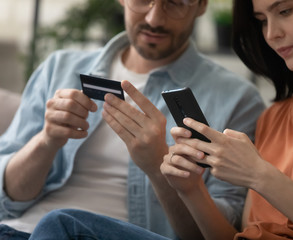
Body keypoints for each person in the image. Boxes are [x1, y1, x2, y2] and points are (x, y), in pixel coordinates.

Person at [23, 0, 293, 239]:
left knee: (63, 225)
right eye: (261, 19)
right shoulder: (274, 116)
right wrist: (189, 188)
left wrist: (259, 174)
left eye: (285, 11)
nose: (271, 33)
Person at [0, 0, 265, 239]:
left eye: (175, 3)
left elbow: (216, 233)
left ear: (202, 5)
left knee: (59, 223)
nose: (154, 19)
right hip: (15, 230)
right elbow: (8, 198)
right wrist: (46, 141)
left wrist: (157, 166)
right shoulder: (59, 68)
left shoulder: (236, 100)